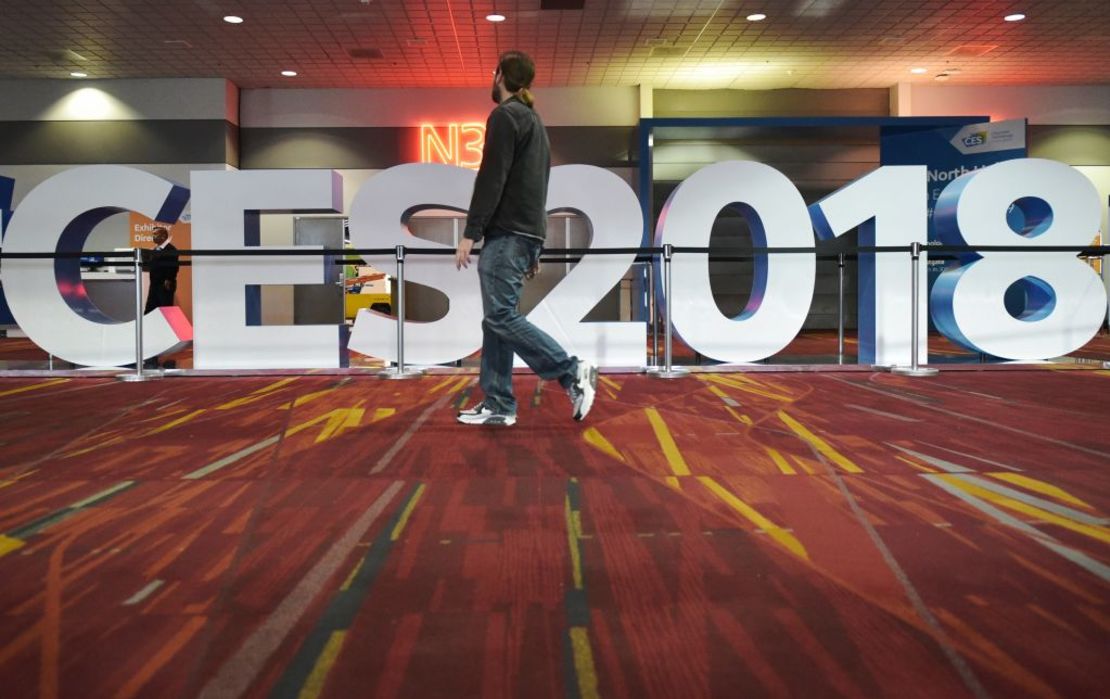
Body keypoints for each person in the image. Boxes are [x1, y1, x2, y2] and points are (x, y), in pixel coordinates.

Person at [454, 50, 597, 427]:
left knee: (499, 315)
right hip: (524, 233)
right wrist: (536, 240)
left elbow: (491, 178)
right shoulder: (533, 120)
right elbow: (537, 186)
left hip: (508, 234)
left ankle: (570, 371)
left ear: (500, 75)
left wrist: (471, 232)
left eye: (493, 71)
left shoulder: (505, 116)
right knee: (496, 320)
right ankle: (499, 402)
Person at [142, 226, 179, 368]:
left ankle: (166, 349)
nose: (153, 237)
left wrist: (169, 279)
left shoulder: (171, 249)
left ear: (163, 236)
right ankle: (150, 352)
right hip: (154, 286)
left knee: (165, 315)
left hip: (164, 286)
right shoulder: (153, 250)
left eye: (155, 234)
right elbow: (149, 266)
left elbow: (173, 268)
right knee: (149, 313)